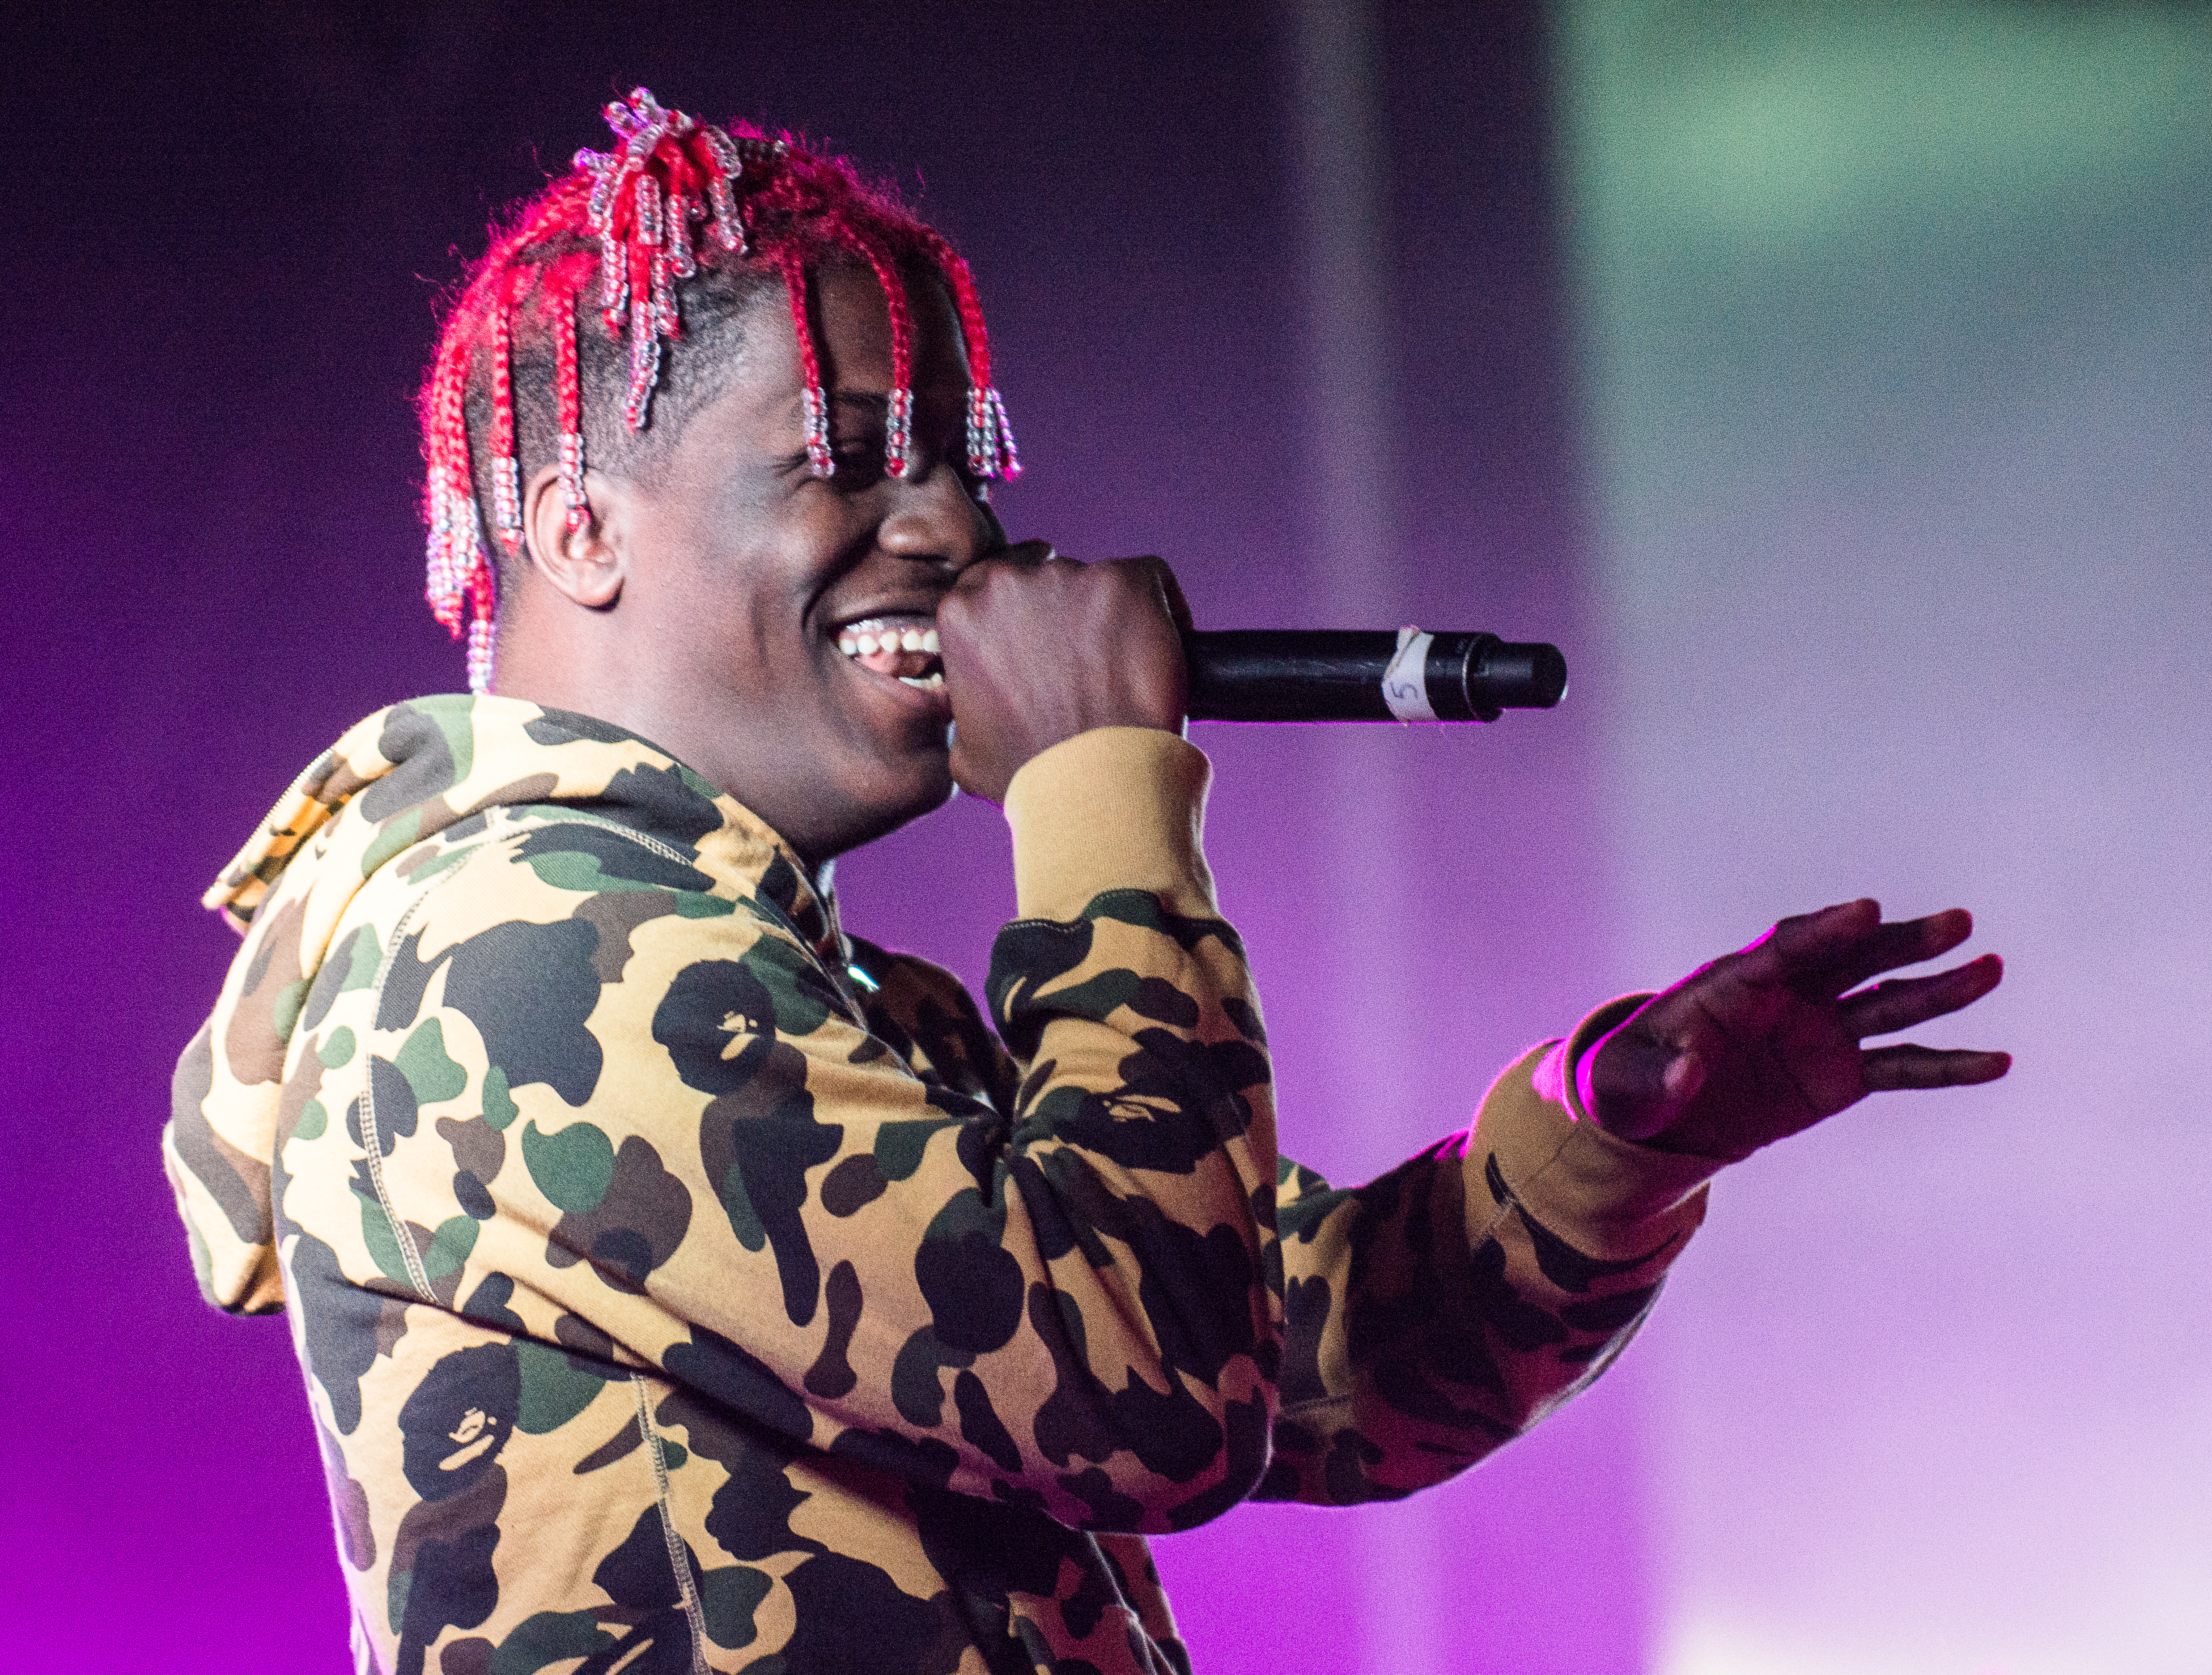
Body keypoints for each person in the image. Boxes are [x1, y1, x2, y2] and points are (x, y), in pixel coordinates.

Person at [166, 92, 2008, 1675]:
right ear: (579, 530)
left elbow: (1304, 1361)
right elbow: (1142, 1384)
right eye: (851, 461)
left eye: (963, 466)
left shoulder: (790, 989)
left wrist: (1615, 1133)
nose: (955, 528)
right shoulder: (517, 946)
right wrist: (1097, 791)